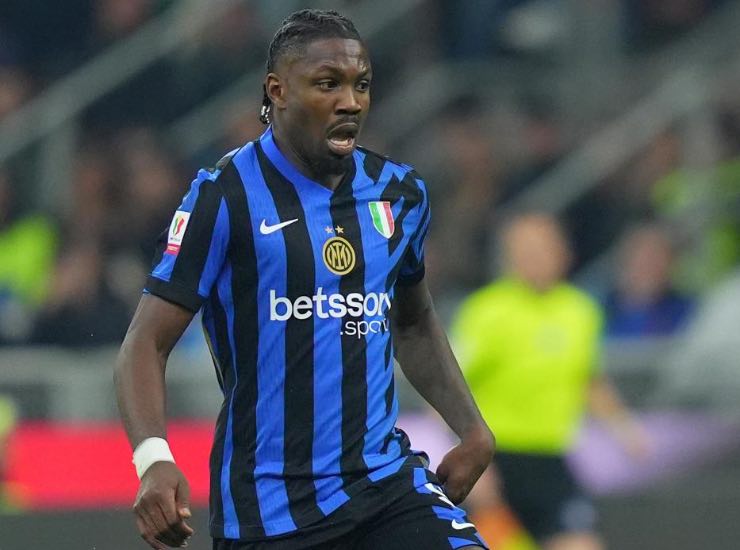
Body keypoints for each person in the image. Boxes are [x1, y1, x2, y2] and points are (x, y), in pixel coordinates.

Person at [115, 9, 494, 550]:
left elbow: (413, 322)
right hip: (269, 511)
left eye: (361, 84)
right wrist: (153, 458)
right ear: (279, 92)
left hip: (385, 485)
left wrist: (472, 427)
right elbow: (145, 343)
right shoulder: (224, 197)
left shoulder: (398, 193)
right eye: (328, 83)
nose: (351, 101)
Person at [453, 213, 648, 550]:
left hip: (550, 459)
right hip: (495, 458)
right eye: (525, 250)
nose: (535, 258)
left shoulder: (580, 311)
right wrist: (469, 457)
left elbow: (587, 378)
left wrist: (624, 429)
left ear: (563, 252)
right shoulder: (486, 311)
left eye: (542, 248)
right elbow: (449, 388)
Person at [604, 222, 693, 339]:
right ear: (624, 262)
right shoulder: (600, 310)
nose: (650, 266)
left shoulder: (690, 313)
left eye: (658, 258)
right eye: (642, 258)